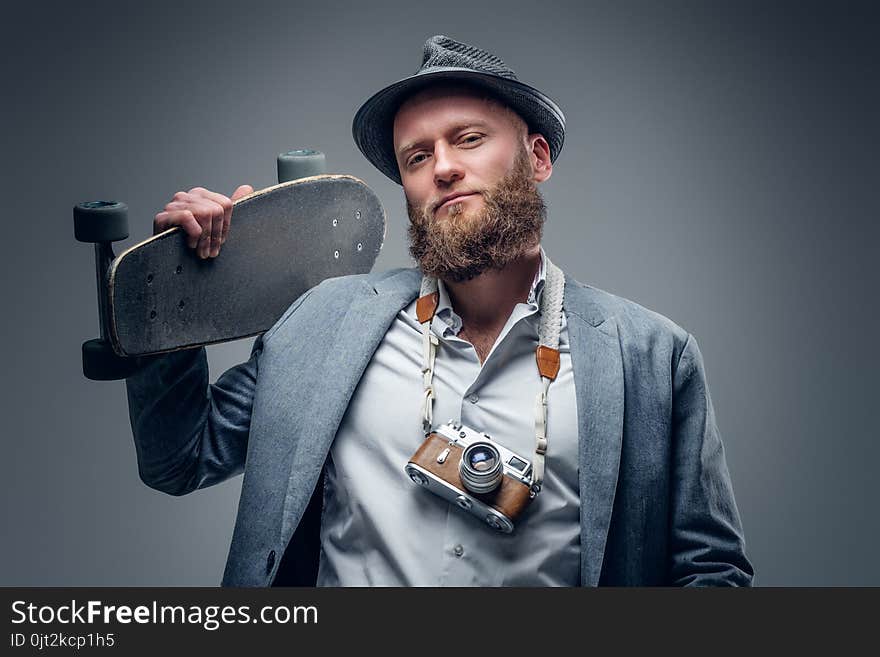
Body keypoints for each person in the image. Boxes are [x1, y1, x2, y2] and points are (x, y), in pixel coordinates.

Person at [127, 35, 754, 586]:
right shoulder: (321, 322)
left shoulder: (651, 355)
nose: (444, 169)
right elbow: (178, 460)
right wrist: (177, 297)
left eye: (469, 140)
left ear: (537, 158)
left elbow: (710, 569)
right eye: (417, 157)